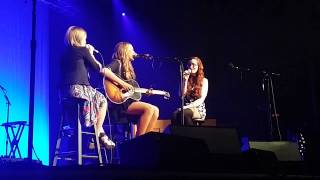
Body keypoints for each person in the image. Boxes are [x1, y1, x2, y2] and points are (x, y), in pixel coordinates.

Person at [60, 26, 115, 148]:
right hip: (78, 90)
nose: (86, 41)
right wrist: (90, 53)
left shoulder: (64, 53)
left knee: (90, 101)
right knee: (102, 100)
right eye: (85, 38)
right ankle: (98, 131)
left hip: (64, 92)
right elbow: (98, 68)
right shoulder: (83, 50)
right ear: (80, 38)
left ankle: (98, 134)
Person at [102, 42, 159, 137]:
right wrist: (123, 83)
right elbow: (104, 70)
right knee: (149, 108)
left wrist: (145, 93)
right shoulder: (117, 62)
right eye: (131, 50)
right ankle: (138, 140)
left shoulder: (129, 68)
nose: (134, 52)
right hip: (119, 104)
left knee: (155, 110)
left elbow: (132, 92)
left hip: (128, 101)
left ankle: (146, 138)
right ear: (124, 52)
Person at [171, 57, 208, 126]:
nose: (191, 67)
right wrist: (185, 80)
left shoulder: (204, 80)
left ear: (198, 67)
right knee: (174, 114)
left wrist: (187, 107)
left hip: (197, 108)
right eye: (189, 64)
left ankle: (192, 134)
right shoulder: (184, 78)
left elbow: (201, 99)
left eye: (194, 64)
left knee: (184, 114)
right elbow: (181, 96)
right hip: (185, 107)